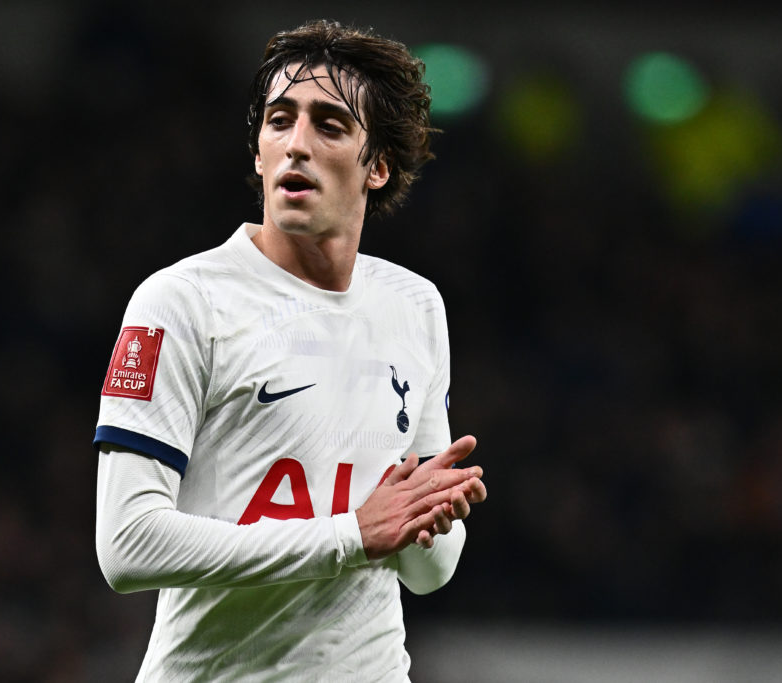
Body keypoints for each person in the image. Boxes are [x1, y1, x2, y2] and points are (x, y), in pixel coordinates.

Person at [94, 19, 487, 682]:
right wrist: (349, 535)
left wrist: (430, 515)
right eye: (280, 121)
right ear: (257, 152)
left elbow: (429, 571)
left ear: (378, 166)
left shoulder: (414, 307)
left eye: (330, 125)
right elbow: (126, 544)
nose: (296, 144)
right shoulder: (182, 303)